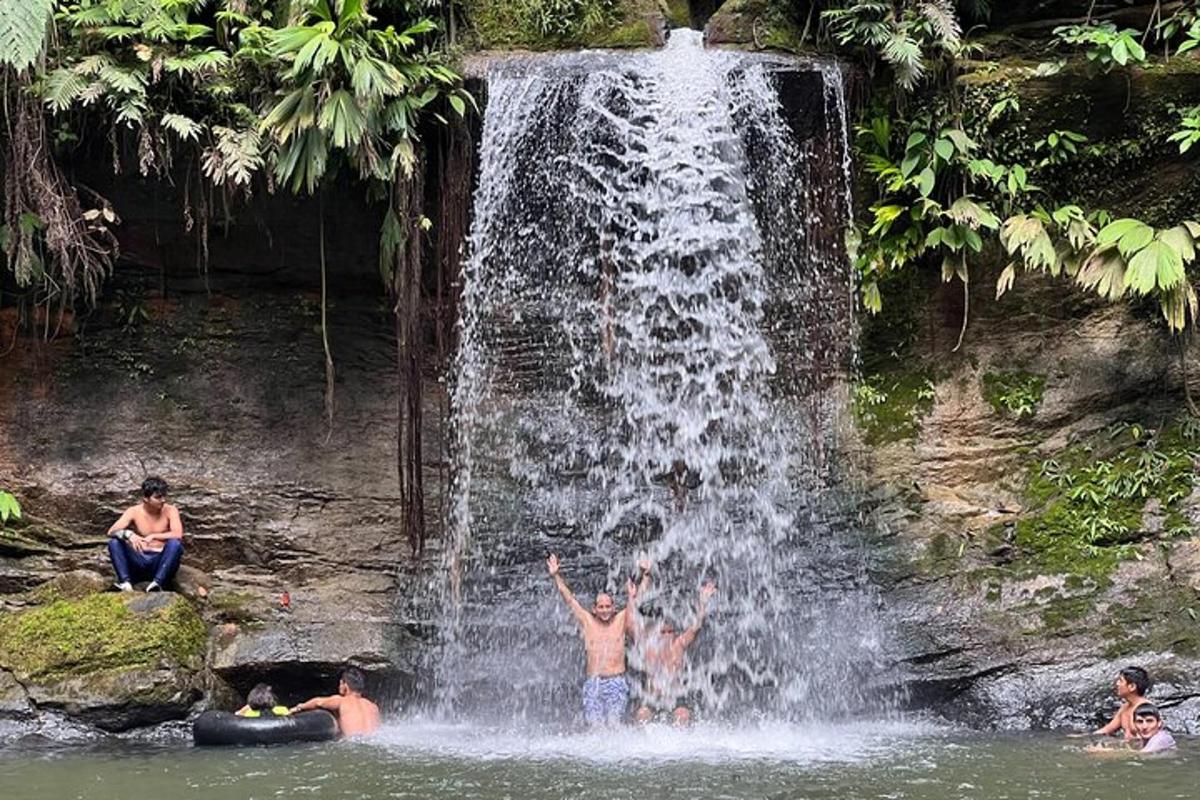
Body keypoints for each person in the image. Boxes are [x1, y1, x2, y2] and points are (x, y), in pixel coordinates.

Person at [547, 553, 642, 726]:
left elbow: (637, 597)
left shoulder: (621, 619)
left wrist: (646, 575)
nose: (605, 610)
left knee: (614, 725)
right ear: (594, 609)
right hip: (594, 682)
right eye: (601, 607)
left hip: (616, 681)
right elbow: (568, 599)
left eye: (608, 606)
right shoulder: (587, 620)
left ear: (614, 608)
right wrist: (556, 575)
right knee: (595, 727)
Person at [632, 582, 716, 725]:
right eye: (662, 632)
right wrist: (633, 596)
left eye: (670, 632)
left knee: (682, 715)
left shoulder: (679, 644)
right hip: (653, 697)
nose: (666, 635)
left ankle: (682, 745)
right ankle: (643, 745)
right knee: (641, 714)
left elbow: (696, 626)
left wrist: (703, 601)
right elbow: (633, 623)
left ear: (674, 633)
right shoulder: (648, 647)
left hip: (675, 695)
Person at [106, 476, 184, 592]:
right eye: (158, 497)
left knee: (175, 545)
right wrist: (129, 534)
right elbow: (111, 532)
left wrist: (154, 536)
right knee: (114, 543)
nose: (163, 500)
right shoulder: (134, 511)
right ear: (146, 499)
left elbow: (178, 534)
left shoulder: (170, 510)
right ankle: (125, 583)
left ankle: (157, 583)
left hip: (159, 562)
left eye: (163, 496)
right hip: (139, 561)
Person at [290, 667, 381, 737]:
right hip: (372, 741)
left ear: (345, 685)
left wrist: (299, 707)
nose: (339, 686)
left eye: (340, 683)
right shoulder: (373, 707)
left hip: (352, 743)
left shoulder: (341, 701)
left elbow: (318, 702)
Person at [1092, 666, 1152, 741]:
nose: (1117, 684)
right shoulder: (1125, 708)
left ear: (1132, 687)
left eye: (1120, 681)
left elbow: (1148, 743)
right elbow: (1106, 730)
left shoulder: (1145, 709)